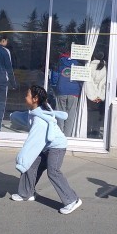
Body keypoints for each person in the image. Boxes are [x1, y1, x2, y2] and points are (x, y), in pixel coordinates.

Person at [9, 84, 82, 215]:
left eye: (27, 95)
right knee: (31, 166)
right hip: (46, 146)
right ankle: (26, 193)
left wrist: (22, 161)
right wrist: (13, 116)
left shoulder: (39, 120)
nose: (25, 97)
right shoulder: (35, 111)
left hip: (57, 146)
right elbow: (25, 118)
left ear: (35, 99)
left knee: (53, 172)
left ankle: (72, 200)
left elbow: (32, 143)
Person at [50, 50, 82, 136]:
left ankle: (59, 133)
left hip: (61, 90)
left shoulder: (59, 63)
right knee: (71, 114)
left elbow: (54, 77)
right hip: (74, 91)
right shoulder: (78, 63)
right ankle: (67, 135)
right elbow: (81, 78)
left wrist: (55, 88)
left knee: (60, 113)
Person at [84, 51, 107, 138]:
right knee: (98, 116)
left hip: (90, 96)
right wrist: (100, 96)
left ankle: (87, 132)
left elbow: (88, 82)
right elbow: (105, 84)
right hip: (100, 97)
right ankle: (96, 133)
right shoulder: (106, 67)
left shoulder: (89, 66)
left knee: (89, 115)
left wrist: (92, 96)